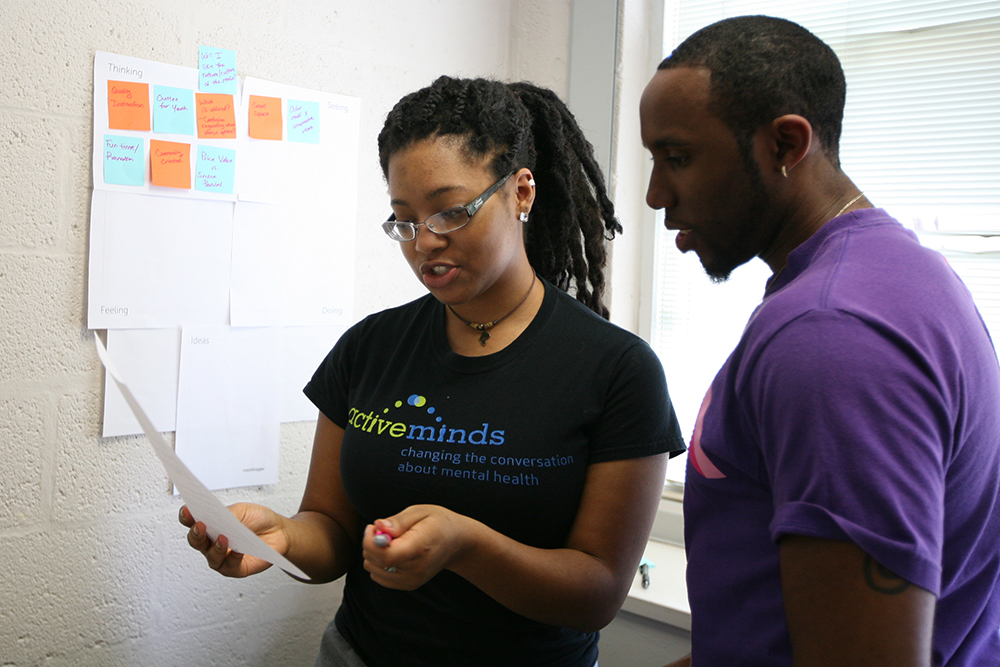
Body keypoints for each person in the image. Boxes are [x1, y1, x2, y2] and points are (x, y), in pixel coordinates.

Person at [181, 75, 686, 667]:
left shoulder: (617, 370)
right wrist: (283, 538)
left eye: (450, 212)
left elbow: (596, 592)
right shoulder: (370, 348)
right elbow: (333, 530)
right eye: (404, 220)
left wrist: (465, 545)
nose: (424, 243)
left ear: (521, 192)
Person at [639, 14, 1000, 667]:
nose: (655, 194)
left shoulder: (831, 337)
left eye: (678, 158)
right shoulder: (895, 273)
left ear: (785, 144)